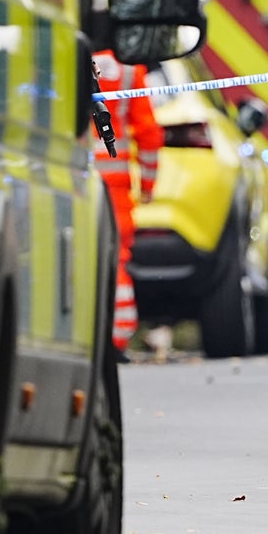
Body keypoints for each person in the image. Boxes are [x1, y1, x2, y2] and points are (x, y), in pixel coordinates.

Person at [92, 49, 161, 360]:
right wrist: (148, 183)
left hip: (68, 176)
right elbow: (148, 134)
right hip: (114, 185)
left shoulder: (63, 51)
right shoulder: (130, 70)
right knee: (115, 257)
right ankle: (117, 336)